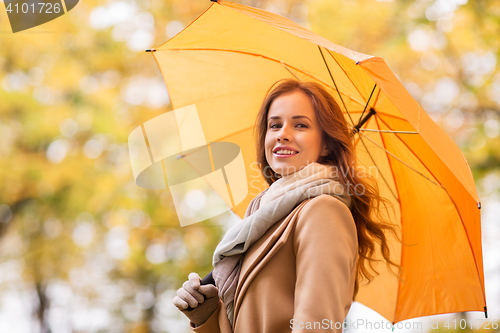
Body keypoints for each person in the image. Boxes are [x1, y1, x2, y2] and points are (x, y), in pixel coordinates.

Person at [173, 78, 399, 332]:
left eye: (300, 125)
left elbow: (316, 326)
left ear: (326, 144)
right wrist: (207, 315)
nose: (283, 134)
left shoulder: (324, 211)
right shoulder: (261, 218)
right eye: (275, 125)